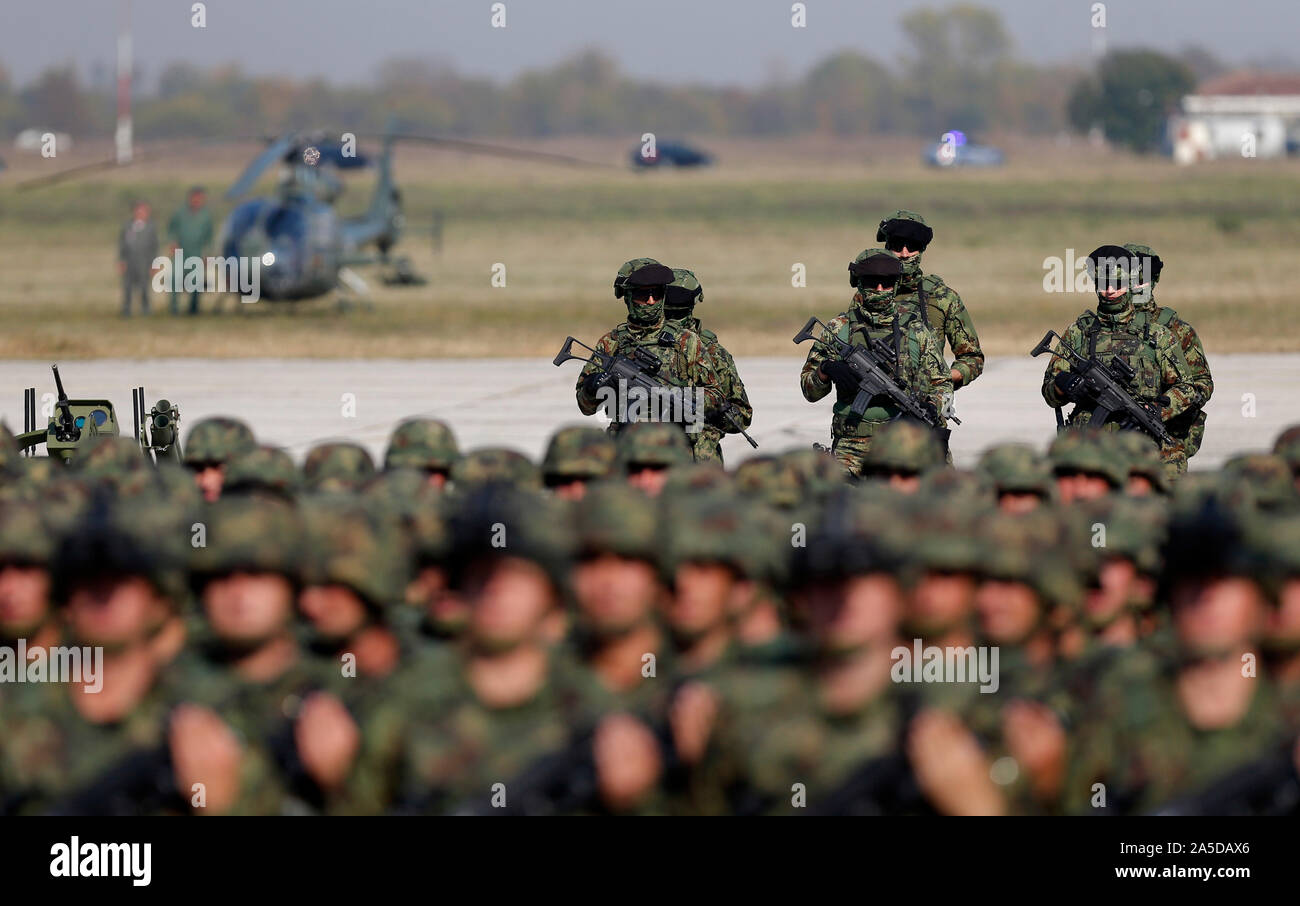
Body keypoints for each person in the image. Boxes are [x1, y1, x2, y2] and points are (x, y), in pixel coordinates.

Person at [1040, 245, 1198, 477]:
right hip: (1089, 445)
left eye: (1118, 284)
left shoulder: (1157, 335)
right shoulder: (1079, 333)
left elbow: (1187, 388)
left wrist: (1157, 410)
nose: (1110, 291)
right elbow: (1049, 394)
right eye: (1104, 284)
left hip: (1141, 442)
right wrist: (1065, 386)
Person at [799, 248, 951, 477]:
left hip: (904, 444)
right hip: (852, 448)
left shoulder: (916, 331)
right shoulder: (839, 329)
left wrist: (932, 406)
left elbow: (943, 384)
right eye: (872, 282)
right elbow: (809, 390)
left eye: (887, 282)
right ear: (858, 283)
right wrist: (826, 370)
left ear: (896, 284)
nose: (879, 289)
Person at [575, 260, 726, 460]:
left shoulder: (686, 342)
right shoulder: (611, 343)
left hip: (675, 452)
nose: (651, 301)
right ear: (627, 296)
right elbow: (585, 406)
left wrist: (679, 399)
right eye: (642, 295)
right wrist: (595, 386)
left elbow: (716, 395)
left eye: (657, 294)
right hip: (625, 452)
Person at [878, 210, 984, 393]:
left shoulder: (942, 298)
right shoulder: (871, 293)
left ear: (921, 249)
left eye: (912, 246)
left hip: (923, 406)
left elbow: (972, 358)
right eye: (897, 245)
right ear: (887, 247)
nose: (904, 253)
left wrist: (942, 378)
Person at [664, 267, 753, 465]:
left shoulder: (712, 352)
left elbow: (741, 416)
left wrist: (709, 409)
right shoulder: (714, 352)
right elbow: (742, 417)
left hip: (696, 461)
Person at [168, 186, 214, 316]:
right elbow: (171, 230)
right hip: (181, 252)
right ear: (190, 198)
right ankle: (174, 309)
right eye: (195, 198)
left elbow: (209, 237)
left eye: (200, 199)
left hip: (197, 252)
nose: (197, 201)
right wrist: (172, 242)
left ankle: (193, 309)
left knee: (196, 282)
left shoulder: (206, 216)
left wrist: (208, 254)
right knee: (174, 280)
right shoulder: (179, 214)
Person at [118, 200, 157, 317]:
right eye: (138, 211)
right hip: (130, 261)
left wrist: (154, 264)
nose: (141, 213)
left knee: (144, 287)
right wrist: (121, 260)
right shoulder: (127, 226)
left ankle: (146, 309)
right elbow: (122, 245)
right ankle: (126, 309)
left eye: (143, 211)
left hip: (144, 261)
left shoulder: (151, 228)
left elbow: (155, 247)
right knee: (127, 287)